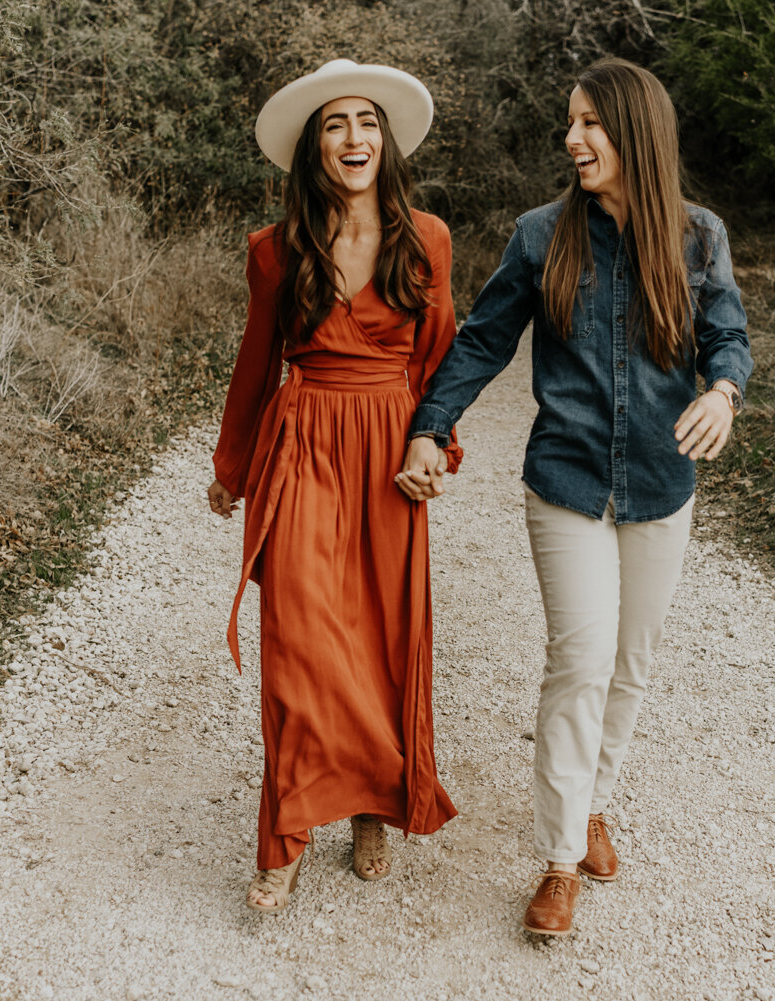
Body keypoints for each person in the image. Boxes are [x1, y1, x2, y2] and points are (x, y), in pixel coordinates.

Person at [398, 58, 752, 936]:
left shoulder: (698, 235)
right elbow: (480, 343)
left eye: (590, 123)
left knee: (630, 664)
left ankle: (596, 800)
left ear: (635, 132)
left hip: (664, 490)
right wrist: (428, 425)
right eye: (571, 123)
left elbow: (729, 336)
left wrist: (722, 392)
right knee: (581, 661)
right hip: (565, 484)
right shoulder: (539, 236)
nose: (573, 138)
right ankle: (559, 859)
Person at [208, 59, 462, 913]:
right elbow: (254, 364)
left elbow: (440, 358)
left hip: (389, 444)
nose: (354, 138)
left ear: (384, 141)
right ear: (313, 149)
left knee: (382, 639)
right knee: (301, 644)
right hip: (305, 440)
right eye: (334, 125)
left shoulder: (426, 236)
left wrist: (438, 446)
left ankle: (369, 804)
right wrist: (230, 465)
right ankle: (283, 833)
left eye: (366, 123)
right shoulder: (274, 249)